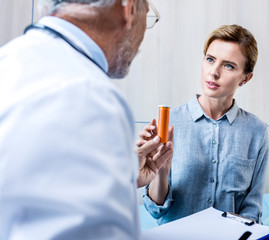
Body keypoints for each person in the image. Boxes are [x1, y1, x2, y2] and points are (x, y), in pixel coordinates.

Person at [0, 0, 173, 239]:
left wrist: (123, 174)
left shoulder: (9, 60)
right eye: (149, 16)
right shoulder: (89, 94)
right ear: (129, 8)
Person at [139, 24, 269, 225]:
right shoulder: (169, 123)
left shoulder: (256, 131)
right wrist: (162, 173)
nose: (214, 72)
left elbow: (252, 210)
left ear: (246, 77)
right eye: (210, 60)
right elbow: (155, 210)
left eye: (228, 66)